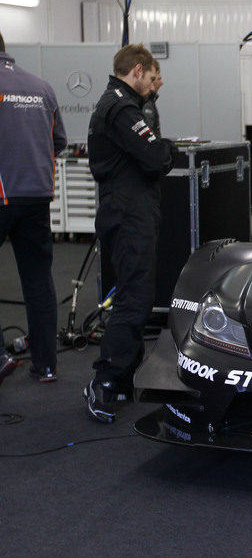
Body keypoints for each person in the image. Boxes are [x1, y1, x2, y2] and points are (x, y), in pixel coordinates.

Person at [85, 44, 177, 423]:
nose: (153, 84)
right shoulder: (122, 108)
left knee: (134, 293)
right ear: (137, 71)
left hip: (127, 210)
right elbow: (156, 159)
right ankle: (105, 379)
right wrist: (166, 148)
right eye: (150, 76)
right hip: (128, 214)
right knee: (135, 299)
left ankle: (124, 374)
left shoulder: (116, 104)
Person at [0, 30, 67, 383]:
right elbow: (60, 140)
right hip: (37, 197)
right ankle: (47, 365)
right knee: (39, 281)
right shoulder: (42, 87)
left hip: (2, 194)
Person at [142, 59, 163, 136]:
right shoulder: (146, 103)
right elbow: (148, 137)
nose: (161, 83)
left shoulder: (150, 101)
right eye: (158, 79)